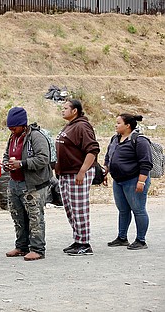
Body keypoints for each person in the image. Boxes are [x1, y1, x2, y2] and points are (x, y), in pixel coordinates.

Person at [2, 107, 52, 261]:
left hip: (32, 185)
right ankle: (21, 246)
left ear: (23, 125)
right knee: (18, 217)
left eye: (14, 127)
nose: (11, 129)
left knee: (35, 217)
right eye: (9, 127)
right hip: (15, 183)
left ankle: (37, 249)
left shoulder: (36, 137)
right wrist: (6, 164)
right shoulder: (13, 137)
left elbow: (43, 158)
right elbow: (6, 154)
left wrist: (22, 164)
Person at [55, 99, 100, 256]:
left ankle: (84, 244)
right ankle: (78, 240)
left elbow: (93, 150)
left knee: (79, 209)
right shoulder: (70, 125)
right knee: (70, 209)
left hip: (78, 173)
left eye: (66, 108)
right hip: (66, 173)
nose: (63, 110)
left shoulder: (82, 126)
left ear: (75, 111)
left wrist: (82, 171)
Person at [103, 113, 152, 250]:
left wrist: (141, 181)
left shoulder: (139, 140)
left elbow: (146, 163)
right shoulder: (115, 138)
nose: (115, 125)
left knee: (138, 210)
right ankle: (122, 238)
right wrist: (105, 171)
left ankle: (141, 240)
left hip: (134, 180)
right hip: (118, 181)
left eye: (118, 123)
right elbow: (109, 156)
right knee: (123, 210)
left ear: (128, 126)